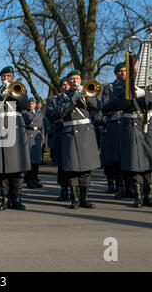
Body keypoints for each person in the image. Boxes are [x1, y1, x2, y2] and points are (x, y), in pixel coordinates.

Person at [106, 65, 152, 208]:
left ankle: (149, 196)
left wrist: (144, 94)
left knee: (151, 160)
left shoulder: (151, 86)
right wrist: (129, 97)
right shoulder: (120, 86)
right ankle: (138, 196)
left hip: (148, 124)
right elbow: (110, 106)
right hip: (131, 124)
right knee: (134, 162)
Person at [54, 70, 100, 209]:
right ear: (68, 82)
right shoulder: (62, 97)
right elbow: (58, 113)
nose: (75, 81)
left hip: (86, 133)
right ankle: (75, 199)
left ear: (81, 80)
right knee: (72, 169)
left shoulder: (87, 92)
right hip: (70, 133)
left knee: (86, 169)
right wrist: (73, 99)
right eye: (72, 79)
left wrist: (85, 96)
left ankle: (84, 199)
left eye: (77, 78)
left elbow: (97, 106)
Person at [0, 66, 31, 211]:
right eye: (4, 76)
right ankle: (5, 198)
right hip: (2, 129)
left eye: (8, 76)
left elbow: (26, 106)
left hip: (17, 129)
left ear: (12, 77)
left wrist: (13, 94)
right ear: (0, 78)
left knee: (18, 167)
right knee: (3, 168)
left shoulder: (20, 89)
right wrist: (2, 95)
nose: (6, 78)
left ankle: (17, 198)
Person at [101, 63, 133, 198]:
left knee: (129, 156)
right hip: (115, 121)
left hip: (129, 121)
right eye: (120, 71)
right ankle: (120, 186)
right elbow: (106, 105)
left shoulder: (131, 85)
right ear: (115, 73)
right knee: (117, 158)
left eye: (125, 70)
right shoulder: (109, 87)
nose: (123, 73)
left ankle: (131, 186)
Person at [46, 77, 71, 201]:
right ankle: (64, 189)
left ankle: (75, 190)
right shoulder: (53, 100)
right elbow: (51, 115)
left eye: (67, 84)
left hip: (72, 133)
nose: (66, 86)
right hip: (60, 133)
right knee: (62, 165)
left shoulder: (75, 97)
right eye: (63, 85)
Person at [23, 97, 44, 189]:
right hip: (29, 135)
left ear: (36, 105)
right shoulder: (25, 114)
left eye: (33, 103)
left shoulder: (39, 114)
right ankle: (29, 180)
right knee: (30, 161)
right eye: (30, 103)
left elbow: (43, 128)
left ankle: (35, 179)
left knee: (36, 161)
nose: (32, 105)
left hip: (37, 137)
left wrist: (42, 139)